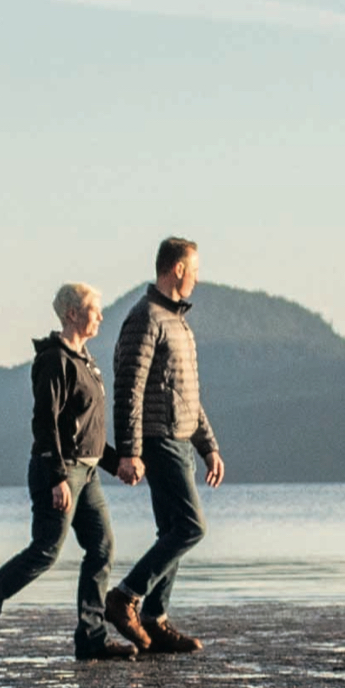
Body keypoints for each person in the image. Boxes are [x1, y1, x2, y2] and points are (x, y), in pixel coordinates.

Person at [0, 282, 138, 663]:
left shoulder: (85, 360)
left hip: (87, 473)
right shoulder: (53, 360)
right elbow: (46, 422)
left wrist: (115, 461)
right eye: (93, 309)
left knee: (101, 548)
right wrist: (55, 477)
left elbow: (87, 429)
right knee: (45, 551)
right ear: (71, 314)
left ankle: (92, 637)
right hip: (61, 470)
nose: (101, 315)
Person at [105, 237, 224, 654]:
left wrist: (208, 445)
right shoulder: (146, 317)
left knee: (171, 531)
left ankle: (155, 622)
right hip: (158, 439)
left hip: (180, 438)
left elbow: (187, 394)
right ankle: (125, 597)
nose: (198, 276)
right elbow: (128, 388)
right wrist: (130, 451)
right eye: (195, 268)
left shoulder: (178, 322)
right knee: (191, 527)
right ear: (177, 269)